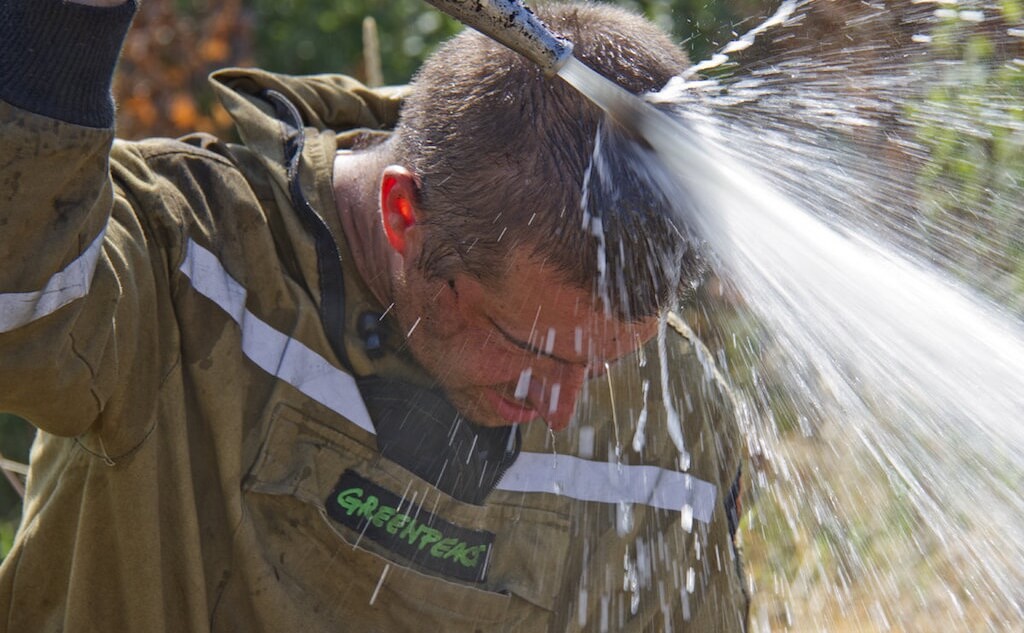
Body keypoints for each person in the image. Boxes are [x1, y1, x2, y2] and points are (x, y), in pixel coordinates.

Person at [0, 0, 747, 630]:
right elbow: (18, 316)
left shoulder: (670, 412)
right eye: (535, 346)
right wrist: (66, 19)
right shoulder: (177, 255)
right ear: (401, 213)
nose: (564, 404)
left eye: (608, 360)